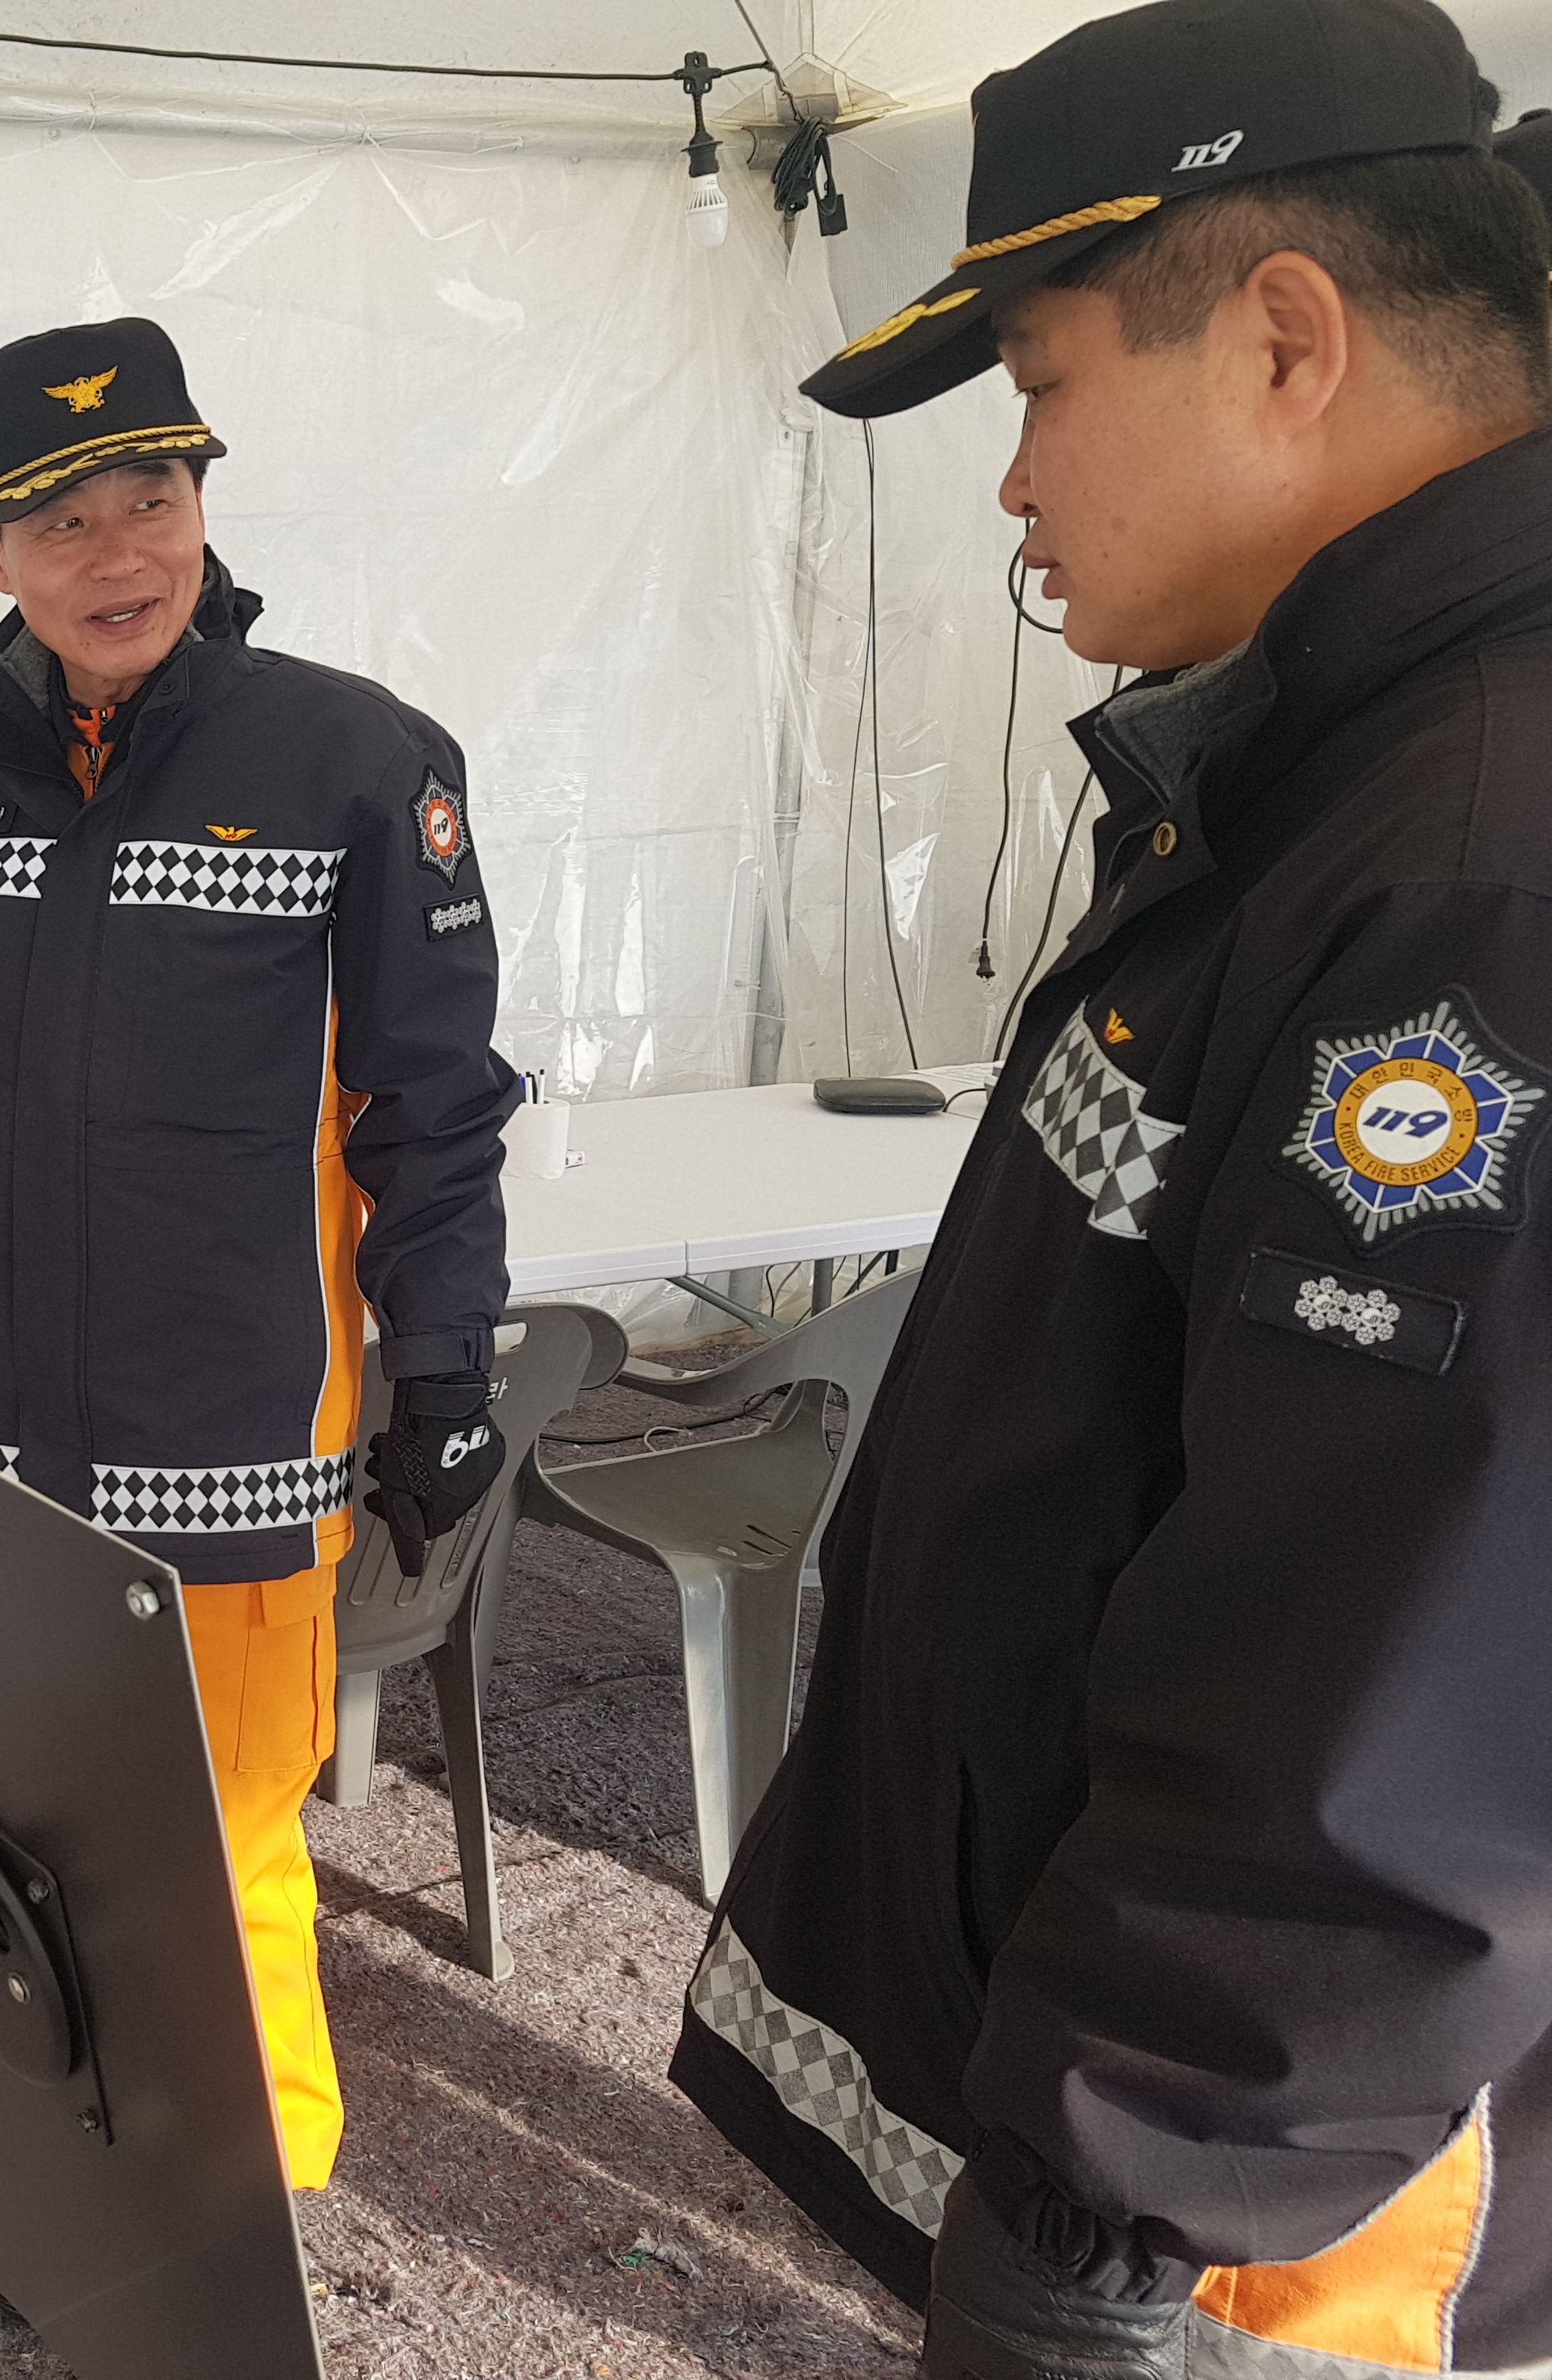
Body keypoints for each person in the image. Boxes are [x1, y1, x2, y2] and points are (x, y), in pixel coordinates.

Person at [672, 2, 1552, 2373]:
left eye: (1043, 384)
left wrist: (1116, 2213)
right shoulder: (1327, 769)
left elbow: (1413, 1668)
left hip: (1289, 2222)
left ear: (1286, 341)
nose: (1012, 482)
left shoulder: (1476, 874)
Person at [0, 317, 518, 2192]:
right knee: (16, 1830)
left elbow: (429, 1102)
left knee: (221, 1848)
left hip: (229, 1434)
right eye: (58, 520)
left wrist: (447, 1364)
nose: (115, 553)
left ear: (205, 502)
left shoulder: (355, 758)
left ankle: (250, 2211)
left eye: (149, 497)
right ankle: (65, 2188)